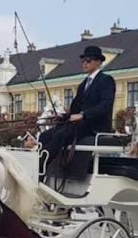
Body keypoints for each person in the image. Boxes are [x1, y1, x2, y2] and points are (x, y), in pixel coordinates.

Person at [36, 45, 116, 175]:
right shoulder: (83, 85)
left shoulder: (106, 80)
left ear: (98, 62)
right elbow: (74, 108)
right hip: (79, 125)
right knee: (45, 135)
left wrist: (82, 115)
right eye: (83, 61)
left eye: (88, 61)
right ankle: (45, 169)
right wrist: (64, 116)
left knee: (61, 135)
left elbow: (105, 106)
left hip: (94, 126)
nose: (84, 63)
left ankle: (41, 165)